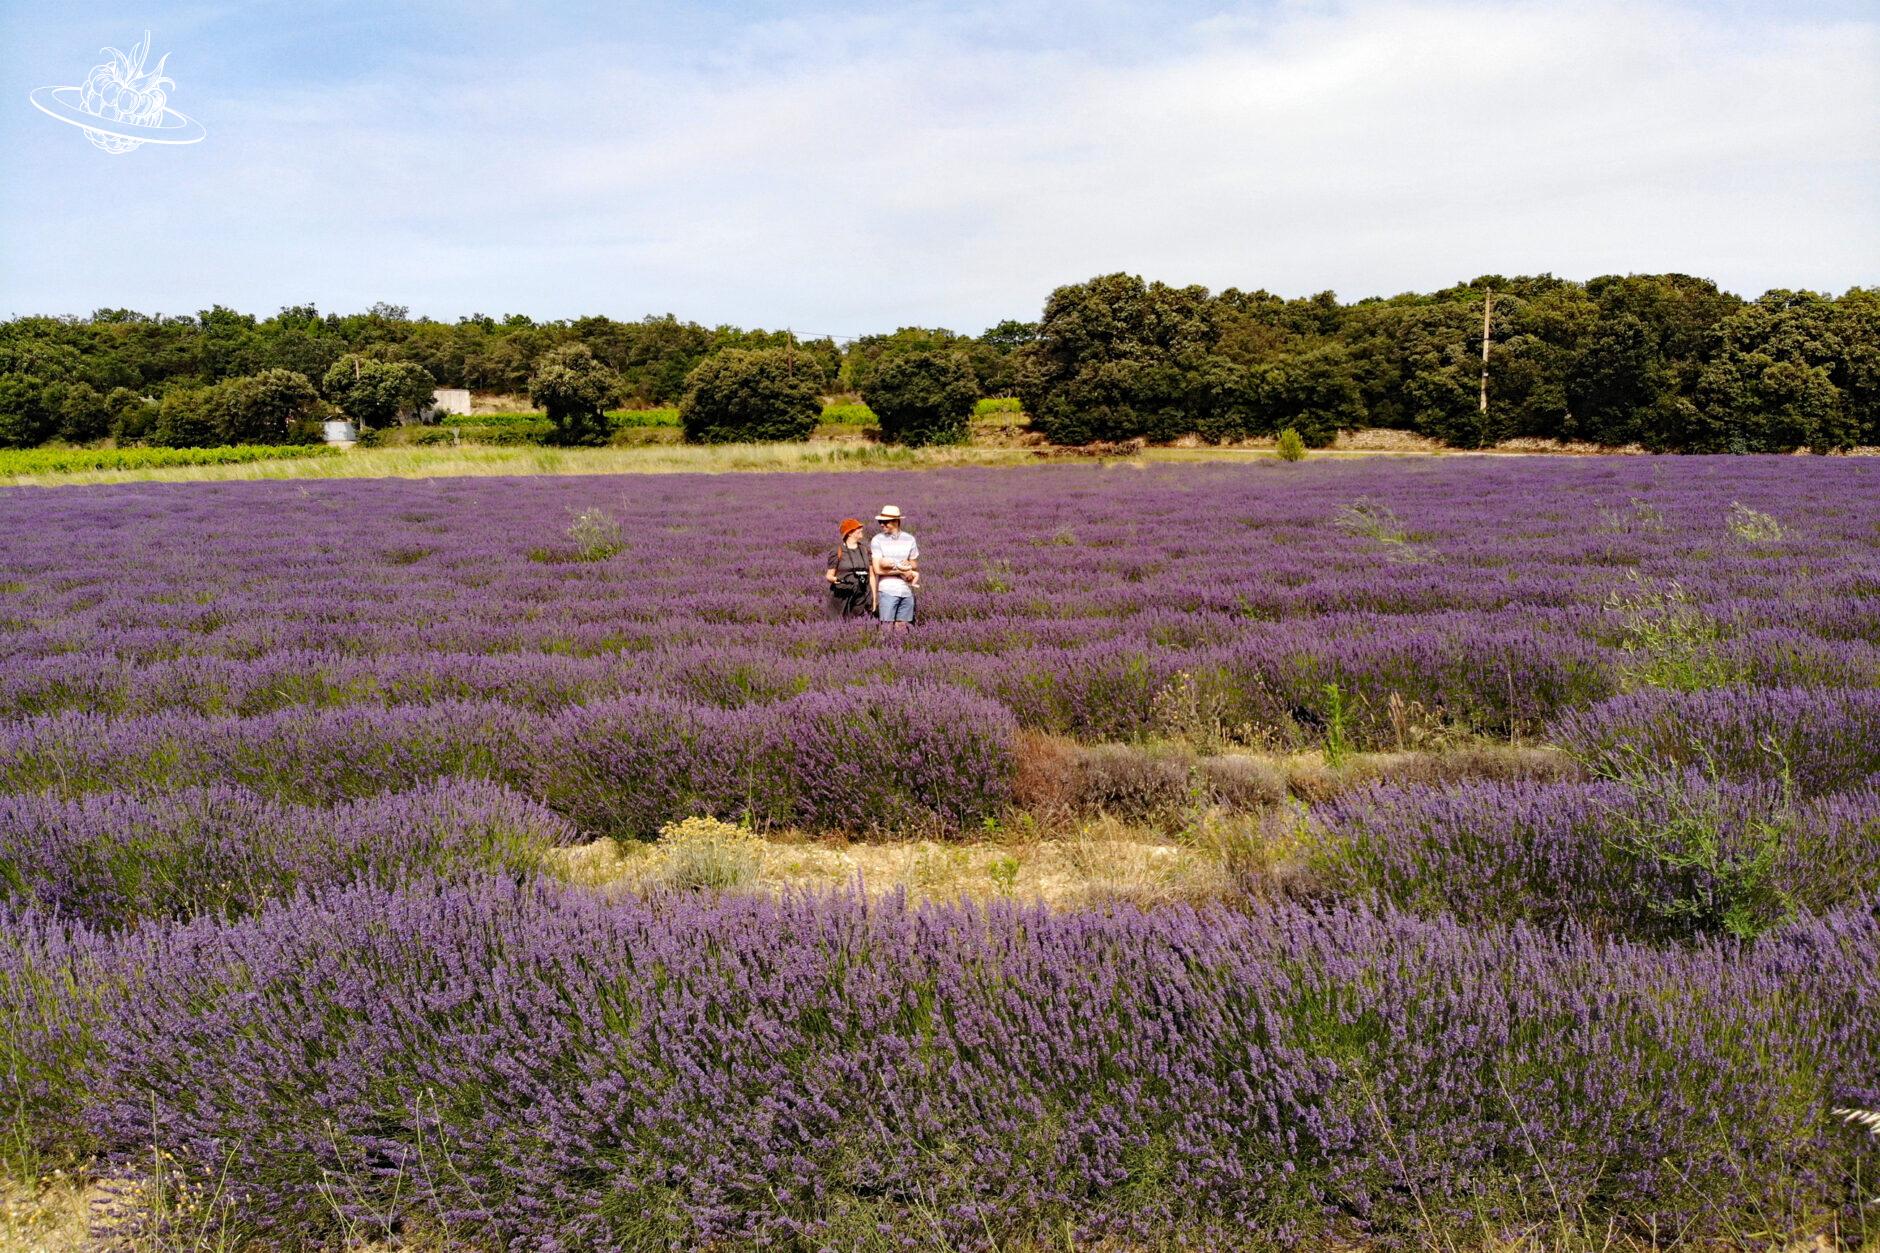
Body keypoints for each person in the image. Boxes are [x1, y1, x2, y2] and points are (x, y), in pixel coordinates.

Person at [870, 504, 919, 629]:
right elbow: (877, 569)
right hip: (887, 590)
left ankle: (901, 648)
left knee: (903, 626)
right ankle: (884, 648)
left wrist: (909, 564)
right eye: (880, 522)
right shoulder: (877, 540)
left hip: (906, 590)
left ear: (896, 521)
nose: (881, 525)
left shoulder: (909, 539)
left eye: (885, 522)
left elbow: (914, 563)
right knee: (886, 627)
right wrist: (902, 571)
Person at [824, 517, 875, 620]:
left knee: (860, 624)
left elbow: (872, 575)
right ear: (850, 532)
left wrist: (874, 598)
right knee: (839, 624)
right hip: (842, 595)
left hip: (862, 595)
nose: (861, 529)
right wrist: (835, 580)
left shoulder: (865, 550)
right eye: (858, 528)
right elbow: (829, 575)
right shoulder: (837, 551)